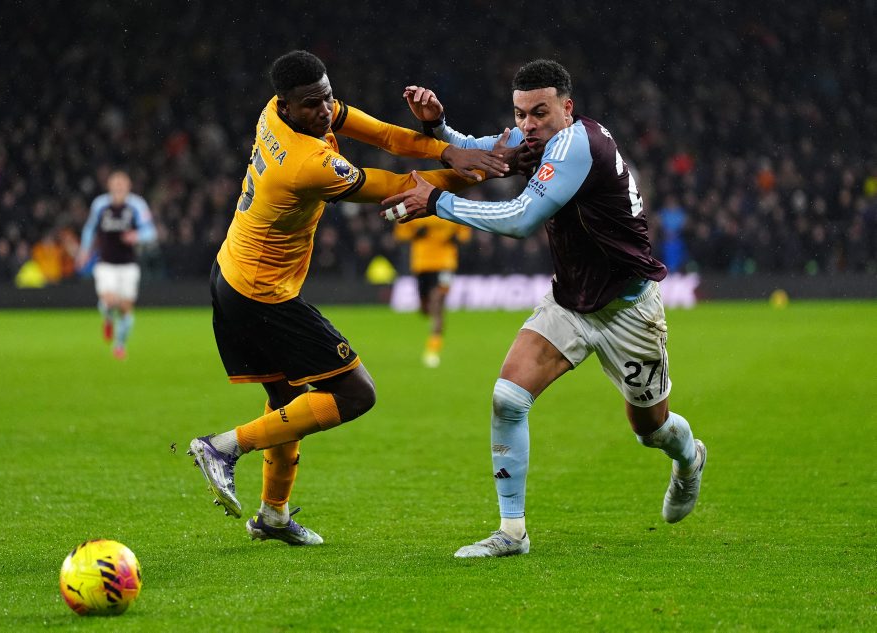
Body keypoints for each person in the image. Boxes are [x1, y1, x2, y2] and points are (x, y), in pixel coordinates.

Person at [382, 59, 706, 558]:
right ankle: (512, 533)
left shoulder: (578, 145)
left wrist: (438, 202)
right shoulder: (536, 139)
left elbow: (521, 218)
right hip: (569, 302)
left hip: (627, 309)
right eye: (520, 114)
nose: (528, 124)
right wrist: (438, 127)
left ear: (566, 108)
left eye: (540, 112)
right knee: (508, 398)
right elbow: (484, 151)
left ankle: (689, 459)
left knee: (651, 429)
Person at [186, 50, 509, 546]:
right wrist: (479, 169)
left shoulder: (275, 112)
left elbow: (384, 134)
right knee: (357, 393)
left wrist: (449, 151)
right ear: (287, 106)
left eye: (328, 98)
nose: (325, 110)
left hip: (232, 272)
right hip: (261, 294)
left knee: (286, 404)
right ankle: (224, 447)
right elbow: (397, 187)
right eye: (312, 105)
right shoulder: (306, 164)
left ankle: (273, 516)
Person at [76, 170, 157, 360]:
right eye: (116, 183)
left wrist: (136, 236)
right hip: (105, 263)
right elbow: (90, 229)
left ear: (128, 186)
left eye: (122, 183)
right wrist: (84, 251)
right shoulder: (100, 205)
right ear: (109, 186)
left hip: (128, 265)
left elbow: (151, 232)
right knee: (110, 300)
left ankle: (119, 345)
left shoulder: (137, 205)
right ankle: (107, 316)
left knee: (126, 308)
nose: (119, 186)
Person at [393, 215, 471, 367]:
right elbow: (400, 234)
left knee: (437, 302)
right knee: (425, 309)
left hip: (445, 263)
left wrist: (455, 238)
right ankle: (433, 324)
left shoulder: (450, 207)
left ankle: (433, 349)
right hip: (422, 263)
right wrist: (416, 233)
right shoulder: (416, 209)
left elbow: (464, 233)